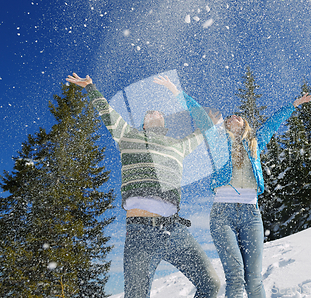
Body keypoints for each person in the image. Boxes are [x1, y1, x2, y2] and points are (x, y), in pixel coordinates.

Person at [155, 75, 311, 298]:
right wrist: (175, 91)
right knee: (236, 277)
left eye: (239, 116)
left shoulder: (255, 143)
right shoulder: (218, 141)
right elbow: (200, 115)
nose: (234, 117)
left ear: (245, 124)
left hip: (251, 214)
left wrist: (293, 105)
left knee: (255, 279)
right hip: (223, 214)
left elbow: (273, 123)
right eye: (230, 117)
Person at [65, 73, 220, 298]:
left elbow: (206, 129)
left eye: (159, 112)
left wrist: (176, 92)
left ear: (164, 122)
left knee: (211, 284)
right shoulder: (129, 138)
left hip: (175, 230)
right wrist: (91, 88)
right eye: (149, 113)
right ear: (144, 123)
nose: (155, 112)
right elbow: (109, 115)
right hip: (140, 233)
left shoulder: (178, 146)